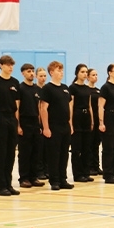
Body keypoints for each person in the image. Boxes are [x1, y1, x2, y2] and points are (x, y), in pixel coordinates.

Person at [0, 55, 21, 196]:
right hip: (0, 118)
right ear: (1, 65)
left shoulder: (15, 82)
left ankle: (8, 183)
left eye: (12, 65)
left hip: (12, 118)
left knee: (11, 153)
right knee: (1, 153)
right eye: (7, 65)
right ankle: (1, 185)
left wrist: (17, 123)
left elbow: (17, 105)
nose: (10, 67)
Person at [40, 61, 74, 190]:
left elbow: (69, 107)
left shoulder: (65, 88)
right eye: (58, 70)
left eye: (62, 70)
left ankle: (62, 179)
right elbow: (43, 108)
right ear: (51, 72)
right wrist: (46, 127)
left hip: (65, 125)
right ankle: (54, 181)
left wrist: (70, 124)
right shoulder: (47, 88)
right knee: (54, 154)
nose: (61, 72)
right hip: (54, 126)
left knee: (64, 154)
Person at [17, 63, 43, 188]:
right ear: (23, 73)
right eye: (28, 71)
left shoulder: (36, 89)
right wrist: (18, 125)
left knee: (35, 151)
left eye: (32, 71)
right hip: (24, 121)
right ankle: (24, 178)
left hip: (35, 123)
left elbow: (39, 107)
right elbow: (17, 108)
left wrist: (40, 124)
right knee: (25, 152)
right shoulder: (20, 88)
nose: (31, 73)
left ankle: (34, 177)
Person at [69, 64, 94, 183]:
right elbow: (71, 105)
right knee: (76, 148)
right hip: (77, 116)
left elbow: (89, 105)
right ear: (77, 73)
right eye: (82, 72)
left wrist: (92, 120)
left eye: (86, 72)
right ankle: (77, 174)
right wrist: (70, 122)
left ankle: (86, 172)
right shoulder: (72, 88)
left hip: (86, 117)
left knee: (86, 147)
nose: (84, 74)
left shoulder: (87, 88)